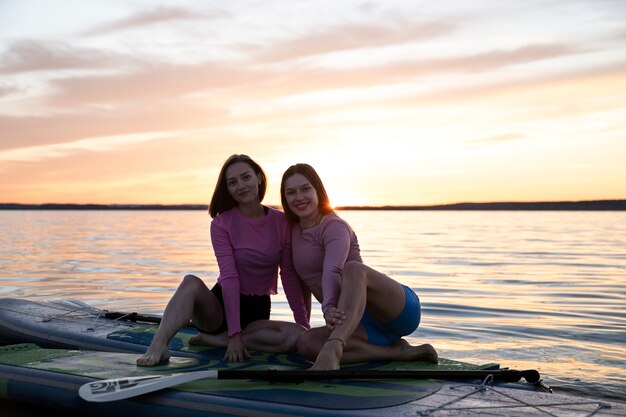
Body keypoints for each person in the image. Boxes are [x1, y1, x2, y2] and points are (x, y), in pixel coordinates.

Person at [137, 154, 309, 366]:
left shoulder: (281, 222)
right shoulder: (221, 224)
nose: (241, 186)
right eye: (232, 182)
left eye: (246, 178)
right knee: (190, 282)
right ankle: (159, 344)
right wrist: (234, 333)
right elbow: (229, 277)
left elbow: (289, 276)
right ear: (227, 189)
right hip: (218, 309)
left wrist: (304, 325)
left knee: (295, 338)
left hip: (256, 310)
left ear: (258, 178)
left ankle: (217, 341)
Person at [280, 163, 438, 370]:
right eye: (291, 192)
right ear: (285, 199)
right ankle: (397, 352)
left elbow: (333, 269)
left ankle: (334, 349)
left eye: (305, 189)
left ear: (318, 190)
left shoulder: (334, 226)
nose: (299, 197)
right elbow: (295, 281)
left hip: (394, 311)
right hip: (355, 325)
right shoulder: (290, 231)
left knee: (353, 269)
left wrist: (328, 308)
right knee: (306, 343)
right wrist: (303, 324)